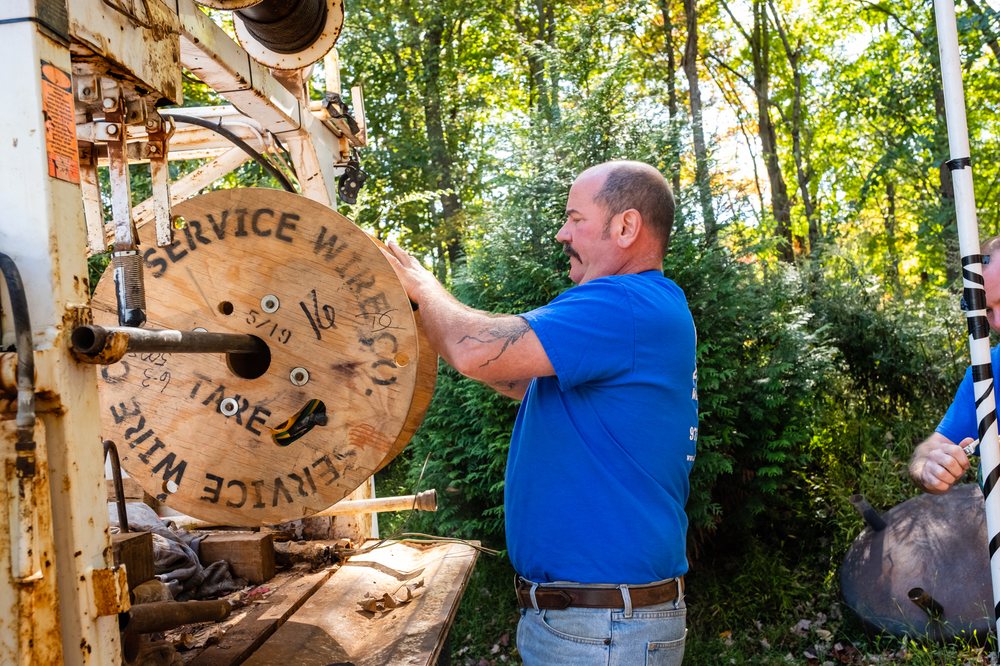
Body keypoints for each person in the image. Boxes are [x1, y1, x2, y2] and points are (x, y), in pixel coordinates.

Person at [382, 160, 697, 665]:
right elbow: (501, 370)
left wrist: (424, 287)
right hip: (591, 625)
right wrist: (421, 312)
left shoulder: (625, 304)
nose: (561, 233)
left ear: (625, 227)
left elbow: (475, 349)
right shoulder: (641, 310)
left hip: (604, 631)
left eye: (575, 219)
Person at [909, 236, 1000, 493]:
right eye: (988, 311)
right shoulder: (985, 373)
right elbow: (927, 452)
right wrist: (929, 467)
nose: (997, 323)